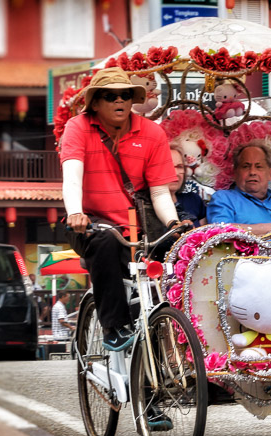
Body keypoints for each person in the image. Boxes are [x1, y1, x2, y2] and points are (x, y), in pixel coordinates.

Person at [60, 67, 187, 352]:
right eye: (110, 96)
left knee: (180, 253)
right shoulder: (78, 127)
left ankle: (184, 348)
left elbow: (159, 192)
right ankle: (113, 328)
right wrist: (75, 213)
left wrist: (173, 224)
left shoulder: (152, 133)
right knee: (103, 241)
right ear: (94, 103)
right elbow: (72, 177)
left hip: (139, 225)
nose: (119, 102)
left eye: (125, 96)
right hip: (90, 222)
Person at [207, 141, 271, 232]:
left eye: (259, 167)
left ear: (270, 173)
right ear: (236, 172)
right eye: (246, 166)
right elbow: (219, 231)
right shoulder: (224, 199)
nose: (252, 172)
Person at [169, 144, 207, 227]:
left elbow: (205, 234)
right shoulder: (145, 206)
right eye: (169, 166)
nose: (176, 173)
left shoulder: (193, 200)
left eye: (179, 167)